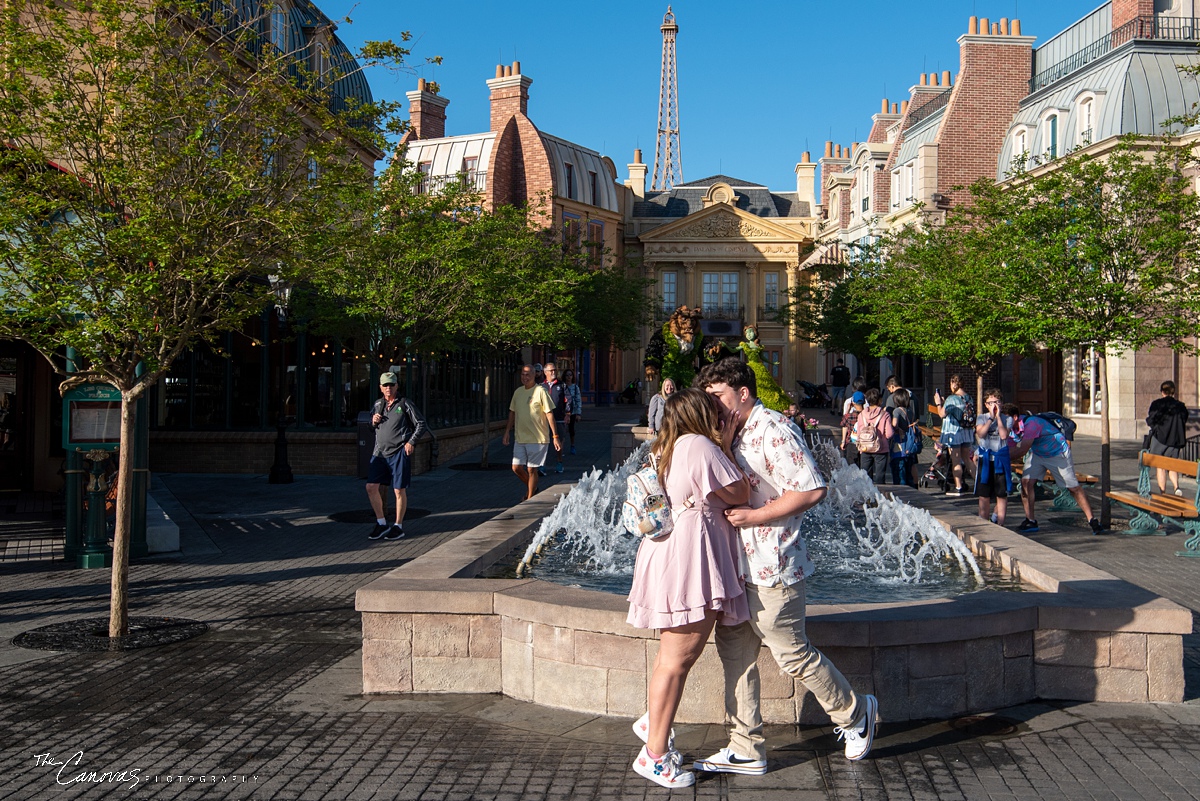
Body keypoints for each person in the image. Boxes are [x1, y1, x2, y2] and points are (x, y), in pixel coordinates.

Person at [694, 359, 879, 776]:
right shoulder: (733, 432)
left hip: (773, 564)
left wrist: (755, 517)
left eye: (719, 397)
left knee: (792, 654)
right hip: (736, 566)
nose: (713, 406)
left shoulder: (772, 429)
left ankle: (854, 714)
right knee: (736, 654)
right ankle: (746, 747)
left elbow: (812, 488)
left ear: (743, 393)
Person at [626, 388, 750, 789]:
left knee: (670, 656)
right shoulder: (700, 446)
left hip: (675, 555)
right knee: (679, 657)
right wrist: (727, 445)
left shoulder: (673, 444)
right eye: (713, 409)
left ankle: (653, 722)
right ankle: (654, 756)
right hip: (690, 559)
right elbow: (741, 492)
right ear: (700, 415)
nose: (720, 414)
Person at [1007, 411, 1102, 535]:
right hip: (1038, 454)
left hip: (1058, 453)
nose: (1003, 423)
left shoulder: (1032, 424)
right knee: (1026, 483)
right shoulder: (1010, 428)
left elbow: (1022, 451)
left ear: (1015, 417)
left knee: (1073, 488)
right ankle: (1030, 520)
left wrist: (998, 459)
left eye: (1006, 419)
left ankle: (1092, 520)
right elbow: (1011, 449)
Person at [366, 372, 427, 541]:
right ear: (380, 387)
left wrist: (411, 442)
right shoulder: (378, 404)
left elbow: (421, 423)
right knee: (371, 486)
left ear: (397, 386)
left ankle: (398, 526)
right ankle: (381, 523)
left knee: (398, 490)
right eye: (385, 385)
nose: (388, 388)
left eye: (391, 385)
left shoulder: (405, 403)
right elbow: (370, 427)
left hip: (399, 451)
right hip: (380, 452)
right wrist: (373, 421)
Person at [502, 364, 560, 501]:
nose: (525, 377)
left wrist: (555, 436)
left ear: (535, 375)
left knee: (531, 469)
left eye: (528, 374)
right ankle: (533, 489)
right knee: (516, 467)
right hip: (520, 437)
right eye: (523, 374)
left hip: (537, 438)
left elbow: (549, 414)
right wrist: (506, 432)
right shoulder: (518, 392)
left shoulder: (541, 391)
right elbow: (512, 412)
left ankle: (529, 498)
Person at [974, 390, 1014, 526]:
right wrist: (990, 418)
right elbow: (981, 434)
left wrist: (998, 417)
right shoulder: (982, 417)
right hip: (986, 459)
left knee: (1001, 494)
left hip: (1000, 459)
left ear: (1001, 403)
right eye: (991, 403)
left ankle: (1001, 523)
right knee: (984, 494)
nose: (994, 405)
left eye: (997, 402)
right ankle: (983, 522)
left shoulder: (1007, 419)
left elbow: (1003, 435)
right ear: (986, 404)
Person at [1146, 380, 1190, 496]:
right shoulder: (1181, 406)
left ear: (1162, 392)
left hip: (1159, 439)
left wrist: (1156, 428)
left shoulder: (1157, 404)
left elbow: (1150, 419)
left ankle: (1163, 492)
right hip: (1175, 440)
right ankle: (1176, 487)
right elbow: (1184, 419)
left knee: (1160, 467)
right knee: (1172, 465)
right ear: (1173, 392)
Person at [933, 375, 974, 496]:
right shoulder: (968, 397)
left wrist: (938, 403)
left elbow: (941, 414)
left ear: (954, 384)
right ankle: (979, 483)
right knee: (967, 459)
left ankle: (958, 486)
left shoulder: (951, 399)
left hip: (954, 432)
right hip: (966, 431)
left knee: (956, 459)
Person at [855, 388, 894, 484]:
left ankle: (867, 497)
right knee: (880, 475)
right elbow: (889, 434)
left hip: (865, 448)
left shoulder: (861, 415)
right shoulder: (885, 415)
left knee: (865, 475)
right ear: (879, 400)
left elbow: (859, 433)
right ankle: (879, 496)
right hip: (881, 448)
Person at [889, 387, 919, 487]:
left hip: (900, 446)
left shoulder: (897, 411)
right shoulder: (910, 411)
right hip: (909, 446)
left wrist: (896, 429)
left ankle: (901, 494)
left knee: (900, 472)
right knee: (909, 471)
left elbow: (894, 424)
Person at [542, 362, 568, 474]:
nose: (553, 372)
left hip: (558, 417)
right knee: (543, 442)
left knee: (559, 440)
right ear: (545, 372)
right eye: (551, 370)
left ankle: (559, 462)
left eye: (554, 370)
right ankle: (542, 465)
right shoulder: (540, 386)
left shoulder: (561, 385)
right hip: (544, 419)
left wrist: (568, 414)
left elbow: (568, 400)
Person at [840, 391, 865, 468]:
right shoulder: (866, 415)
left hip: (851, 443)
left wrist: (843, 441)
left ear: (853, 403)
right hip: (864, 443)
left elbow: (843, 425)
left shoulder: (848, 416)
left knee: (851, 467)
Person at [563, 369, 583, 455]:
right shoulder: (562, 386)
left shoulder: (575, 387)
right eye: (567, 375)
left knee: (571, 429)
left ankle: (572, 445)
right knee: (562, 430)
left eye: (570, 375)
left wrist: (578, 413)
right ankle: (561, 447)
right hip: (563, 411)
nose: (569, 377)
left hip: (573, 411)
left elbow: (578, 400)